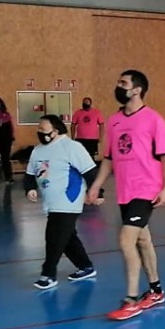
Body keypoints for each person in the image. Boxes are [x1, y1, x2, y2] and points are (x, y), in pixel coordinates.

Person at [87, 69, 165, 321]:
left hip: (146, 189)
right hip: (125, 192)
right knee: (143, 241)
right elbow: (108, 159)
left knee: (126, 240)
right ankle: (156, 291)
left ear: (137, 90)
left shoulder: (154, 119)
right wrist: (96, 185)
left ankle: (131, 299)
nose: (118, 86)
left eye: (123, 83)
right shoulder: (114, 121)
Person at [25, 115, 101, 290]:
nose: (39, 132)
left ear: (56, 131)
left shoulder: (71, 147)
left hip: (68, 199)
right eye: (38, 128)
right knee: (66, 237)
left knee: (54, 236)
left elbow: (90, 171)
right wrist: (30, 188)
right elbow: (30, 174)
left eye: (43, 129)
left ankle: (48, 275)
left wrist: (98, 192)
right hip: (50, 202)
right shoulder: (37, 151)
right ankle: (85, 266)